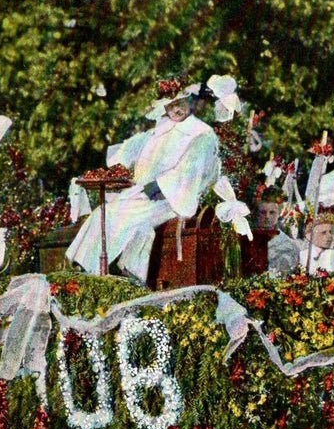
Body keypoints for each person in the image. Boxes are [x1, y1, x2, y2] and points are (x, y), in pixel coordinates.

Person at [66, 87, 221, 284]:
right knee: (105, 212)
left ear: (189, 101)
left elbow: (190, 172)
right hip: (144, 194)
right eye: (171, 105)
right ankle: (88, 269)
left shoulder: (201, 134)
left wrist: (160, 185)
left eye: (180, 103)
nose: (176, 109)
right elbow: (126, 152)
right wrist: (119, 167)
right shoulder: (159, 131)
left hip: (172, 198)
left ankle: (122, 274)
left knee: (127, 220)